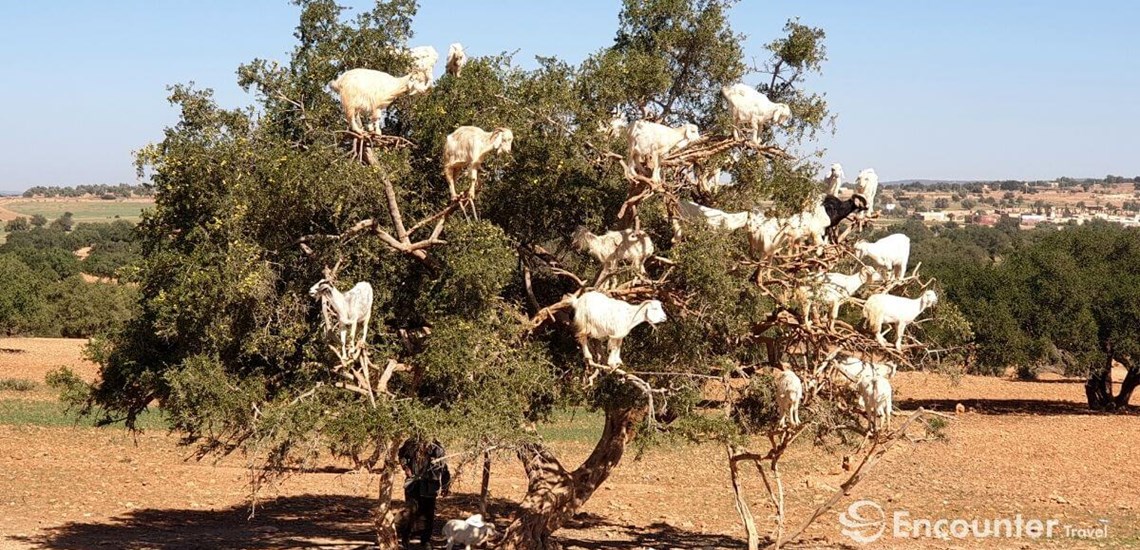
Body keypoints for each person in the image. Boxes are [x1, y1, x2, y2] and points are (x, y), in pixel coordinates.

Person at [398, 437, 451, 549]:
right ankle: (405, 537)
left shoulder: (437, 448)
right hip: (413, 483)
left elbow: (444, 467)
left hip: (430, 485)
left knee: (428, 514)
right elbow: (401, 455)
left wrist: (446, 485)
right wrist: (406, 467)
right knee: (410, 511)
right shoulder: (411, 443)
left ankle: (425, 541)